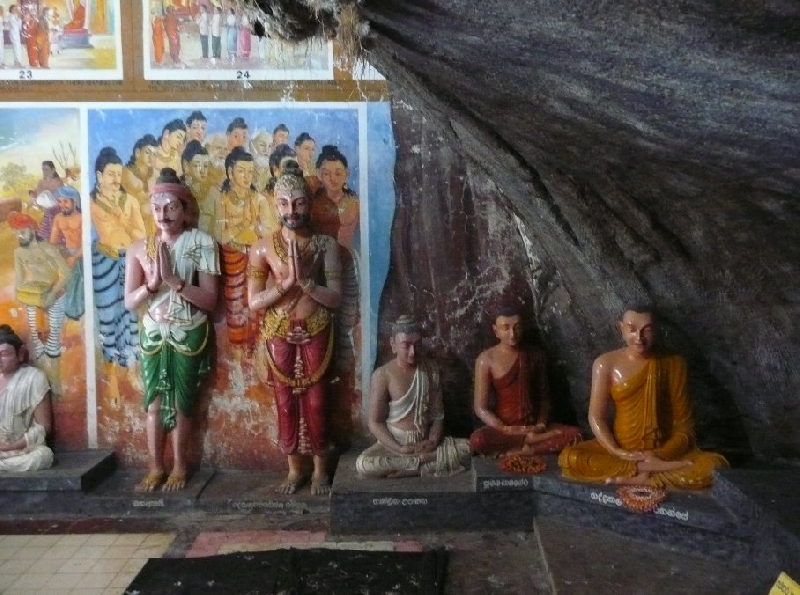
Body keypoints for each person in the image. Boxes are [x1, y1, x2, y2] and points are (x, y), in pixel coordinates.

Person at [247, 163, 342, 495]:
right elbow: (254, 302)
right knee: (284, 401)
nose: (292, 211)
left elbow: (335, 298)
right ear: (276, 205)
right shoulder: (262, 248)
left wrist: (308, 285)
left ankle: (319, 469)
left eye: (299, 202)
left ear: (309, 204)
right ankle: (293, 469)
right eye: (285, 203)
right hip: (278, 328)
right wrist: (285, 284)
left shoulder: (325, 245)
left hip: (316, 324)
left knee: (317, 401)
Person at [558, 307, 729, 489]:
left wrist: (660, 454)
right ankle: (652, 472)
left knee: (714, 466)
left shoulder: (673, 363)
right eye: (632, 329)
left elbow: (685, 426)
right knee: (571, 458)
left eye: (647, 330)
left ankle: (644, 474)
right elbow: (596, 417)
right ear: (621, 328)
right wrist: (616, 450)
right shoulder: (605, 363)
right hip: (622, 449)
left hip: (663, 450)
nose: (639, 338)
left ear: (656, 330)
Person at [124, 168, 220, 492]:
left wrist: (176, 283)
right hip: (153, 332)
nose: (163, 215)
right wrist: (151, 286)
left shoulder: (202, 243)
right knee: (152, 402)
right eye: (157, 208)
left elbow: (209, 299)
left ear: (184, 208)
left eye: (170, 207)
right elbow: (129, 301)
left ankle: (180, 467)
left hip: (188, 329)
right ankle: (154, 467)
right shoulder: (139, 249)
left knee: (181, 401)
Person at [356, 316, 472, 478]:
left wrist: (432, 440)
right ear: (393, 345)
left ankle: (414, 465)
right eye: (406, 345)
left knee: (468, 447)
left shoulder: (430, 369)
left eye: (417, 345)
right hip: (395, 443)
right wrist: (399, 448)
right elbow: (375, 422)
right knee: (364, 464)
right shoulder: (383, 375)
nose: (413, 351)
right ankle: (423, 465)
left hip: (425, 443)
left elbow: (438, 417)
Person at [470, 307, 582, 457]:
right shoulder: (486, 360)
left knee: (576, 434)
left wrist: (540, 425)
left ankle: (528, 450)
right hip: (506, 430)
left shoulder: (535, 355)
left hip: (534, 427)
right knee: (478, 440)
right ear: (496, 331)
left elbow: (544, 399)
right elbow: (480, 408)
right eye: (506, 328)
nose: (512, 333)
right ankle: (529, 445)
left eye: (517, 327)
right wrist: (503, 428)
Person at [207, 147, 277, 347]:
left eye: (250, 172)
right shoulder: (221, 200)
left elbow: (269, 231)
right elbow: (219, 234)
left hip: (257, 264)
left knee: (260, 310)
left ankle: (259, 357)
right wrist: (249, 229)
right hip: (231, 263)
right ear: (230, 172)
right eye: (241, 171)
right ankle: (238, 361)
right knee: (236, 311)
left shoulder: (259, 200)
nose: (247, 177)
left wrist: (240, 232)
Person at [90, 147, 146, 368]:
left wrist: (124, 226)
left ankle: (130, 355)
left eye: (118, 173)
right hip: (103, 261)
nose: (116, 179)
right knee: (107, 310)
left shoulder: (130, 201)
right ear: (99, 176)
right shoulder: (91, 202)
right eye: (111, 174)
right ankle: (110, 357)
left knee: (129, 310)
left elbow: (141, 234)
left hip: (127, 259)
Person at [10, 212, 71, 360]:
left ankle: (52, 353)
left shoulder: (48, 248)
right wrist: (19, 295)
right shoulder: (18, 252)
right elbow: (20, 277)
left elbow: (66, 273)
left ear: (32, 229)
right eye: (17, 233)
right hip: (34, 294)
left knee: (54, 338)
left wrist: (52, 294)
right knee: (34, 332)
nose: (20, 236)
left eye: (23, 232)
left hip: (55, 292)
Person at [0, 325, 54, 472]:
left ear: (21, 353)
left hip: (22, 449)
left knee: (42, 456)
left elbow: (43, 427)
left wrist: (12, 446)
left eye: (4, 354)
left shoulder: (34, 378)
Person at [312, 145, 359, 250]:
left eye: (338, 173)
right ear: (319, 175)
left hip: (348, 260)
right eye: (327, 174)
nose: (333, 179)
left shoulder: (355, 203)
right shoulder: (313, 204)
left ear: (346, 174)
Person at [48, 185, 84, 321]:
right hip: (67, 253)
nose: (62, 205)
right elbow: (52, 242)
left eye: (66, 201)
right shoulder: (58, 218)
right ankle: (66, 310)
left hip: (82, 254)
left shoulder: (82, 218)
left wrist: (74, 257)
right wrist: (56, 256)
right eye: (60, 201)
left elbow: (87, 244)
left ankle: (75, 311)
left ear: (75, 202)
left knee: (76, 280)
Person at [122, 134, 159, 234]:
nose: (151, 157)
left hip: (153, 225)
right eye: (148, 152)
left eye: (155, 154)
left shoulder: (156, 175)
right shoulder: (126, 174)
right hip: (132, 226)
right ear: (138, 153)